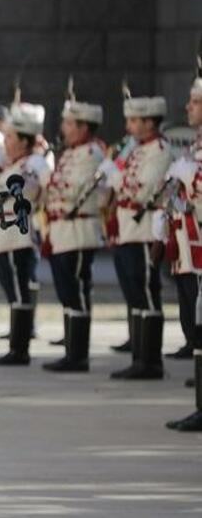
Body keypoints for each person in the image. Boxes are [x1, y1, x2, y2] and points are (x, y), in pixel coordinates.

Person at [97, 94, 173, 380]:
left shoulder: (159, 150)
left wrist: (115, 174)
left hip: (143, 232)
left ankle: (151, 362)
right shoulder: (137, 149)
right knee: (134, 295)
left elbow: (141, 190)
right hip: (127, 230)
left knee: (147, 294)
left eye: (133, 120)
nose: (128, 126)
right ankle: (138, 357)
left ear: (149, 122)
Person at [42, 96, 106, 372]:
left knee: (77, 292)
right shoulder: (69, 152)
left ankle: (78, 356)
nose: (64, 128)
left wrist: (48, 183)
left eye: (69, 123)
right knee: (67, 293)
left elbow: (73, 188)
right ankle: (71, 351)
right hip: (61, 232)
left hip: (78, 231)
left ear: (83, 127)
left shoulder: (91, 153)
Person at [0, 102, 52, 367]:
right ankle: (17, 346)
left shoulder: (32, 164)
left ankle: (20, 349)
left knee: (19, 292)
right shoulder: (16, 163)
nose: (6, 142)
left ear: (25, 141)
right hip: (3, 237)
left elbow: (29, 191)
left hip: (17, 235)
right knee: (14, 292)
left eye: (11, 137)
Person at [163, 72, 202, 432]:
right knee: (195, 321)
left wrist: (189, 178)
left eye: (195, 102)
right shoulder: (195, 146)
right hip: (189, 246)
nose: (188, 108)